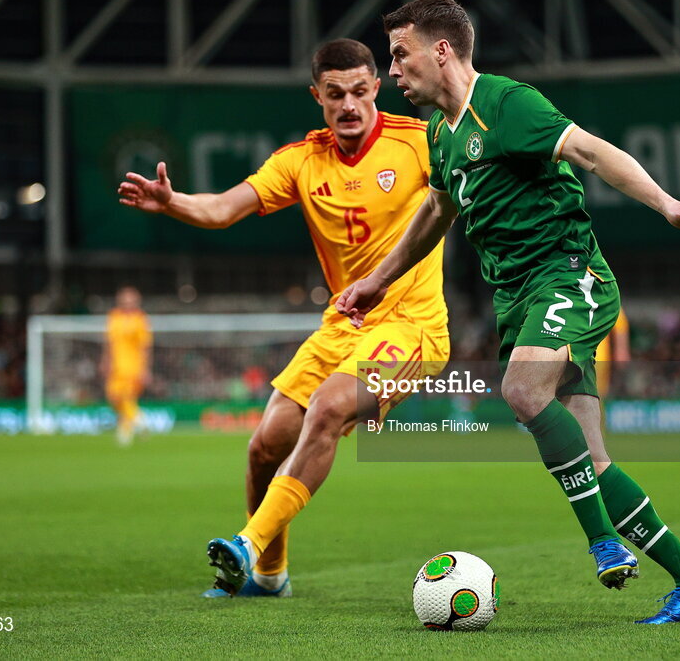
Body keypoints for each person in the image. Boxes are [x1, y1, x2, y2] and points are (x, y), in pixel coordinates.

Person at [337, 0, 680, 624]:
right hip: (516, 298)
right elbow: (437, 210)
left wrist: (669, 204)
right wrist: (379, 280)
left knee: (521, 390)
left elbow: (594, 153)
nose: (394, 72)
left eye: (400, 55)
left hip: (569, 275)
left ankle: (601, 541)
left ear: (442, 51)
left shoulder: (507, 105)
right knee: (594, 461)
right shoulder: (441, 131)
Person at [118, 39, 450, 598]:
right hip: (341, 327)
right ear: (317, 95)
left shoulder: (419, 143)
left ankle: (247, 545)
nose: (349, 105)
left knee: (329, 406)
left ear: (376, 88)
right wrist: (172, 202)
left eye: (360, 92)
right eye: (335, 94)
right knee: (264, 446)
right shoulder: (300, 160)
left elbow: (469, 186)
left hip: (412, 326)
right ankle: (270, 576)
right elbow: (224, 207)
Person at [102, 286, 152, 447]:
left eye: (131, 301)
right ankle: (139, 419)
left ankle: (125, 433)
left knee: (126, 397)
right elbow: (109, 342)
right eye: (124, 300)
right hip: (116, 366)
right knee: (114, 397)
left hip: (133, 367)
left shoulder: (140, 319)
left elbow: (145, 346)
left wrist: (145, 369)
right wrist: (105, 361)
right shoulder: (114, 317)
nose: (127, 304)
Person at [596, 307, 630, 398]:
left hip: (597, 359)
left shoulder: (603, 296)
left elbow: (620, 324)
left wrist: (621, 349)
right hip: (576, 356)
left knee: (596, 396)